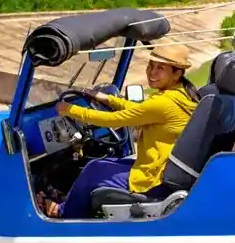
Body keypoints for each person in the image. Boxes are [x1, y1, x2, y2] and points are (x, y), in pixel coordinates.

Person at [37, 44, 200, 219]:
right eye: (150, 65)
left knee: (92, 172)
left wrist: (70, 110)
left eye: (160, 68)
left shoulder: (164, 103)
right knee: (96, 165)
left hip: (153, 178)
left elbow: (114, 120)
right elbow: (139, 109)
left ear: (177, 73)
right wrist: (107, 99)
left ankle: (62, 214)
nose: (152, 72)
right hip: (160, 167)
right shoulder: (180, 95)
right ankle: (68, 204)